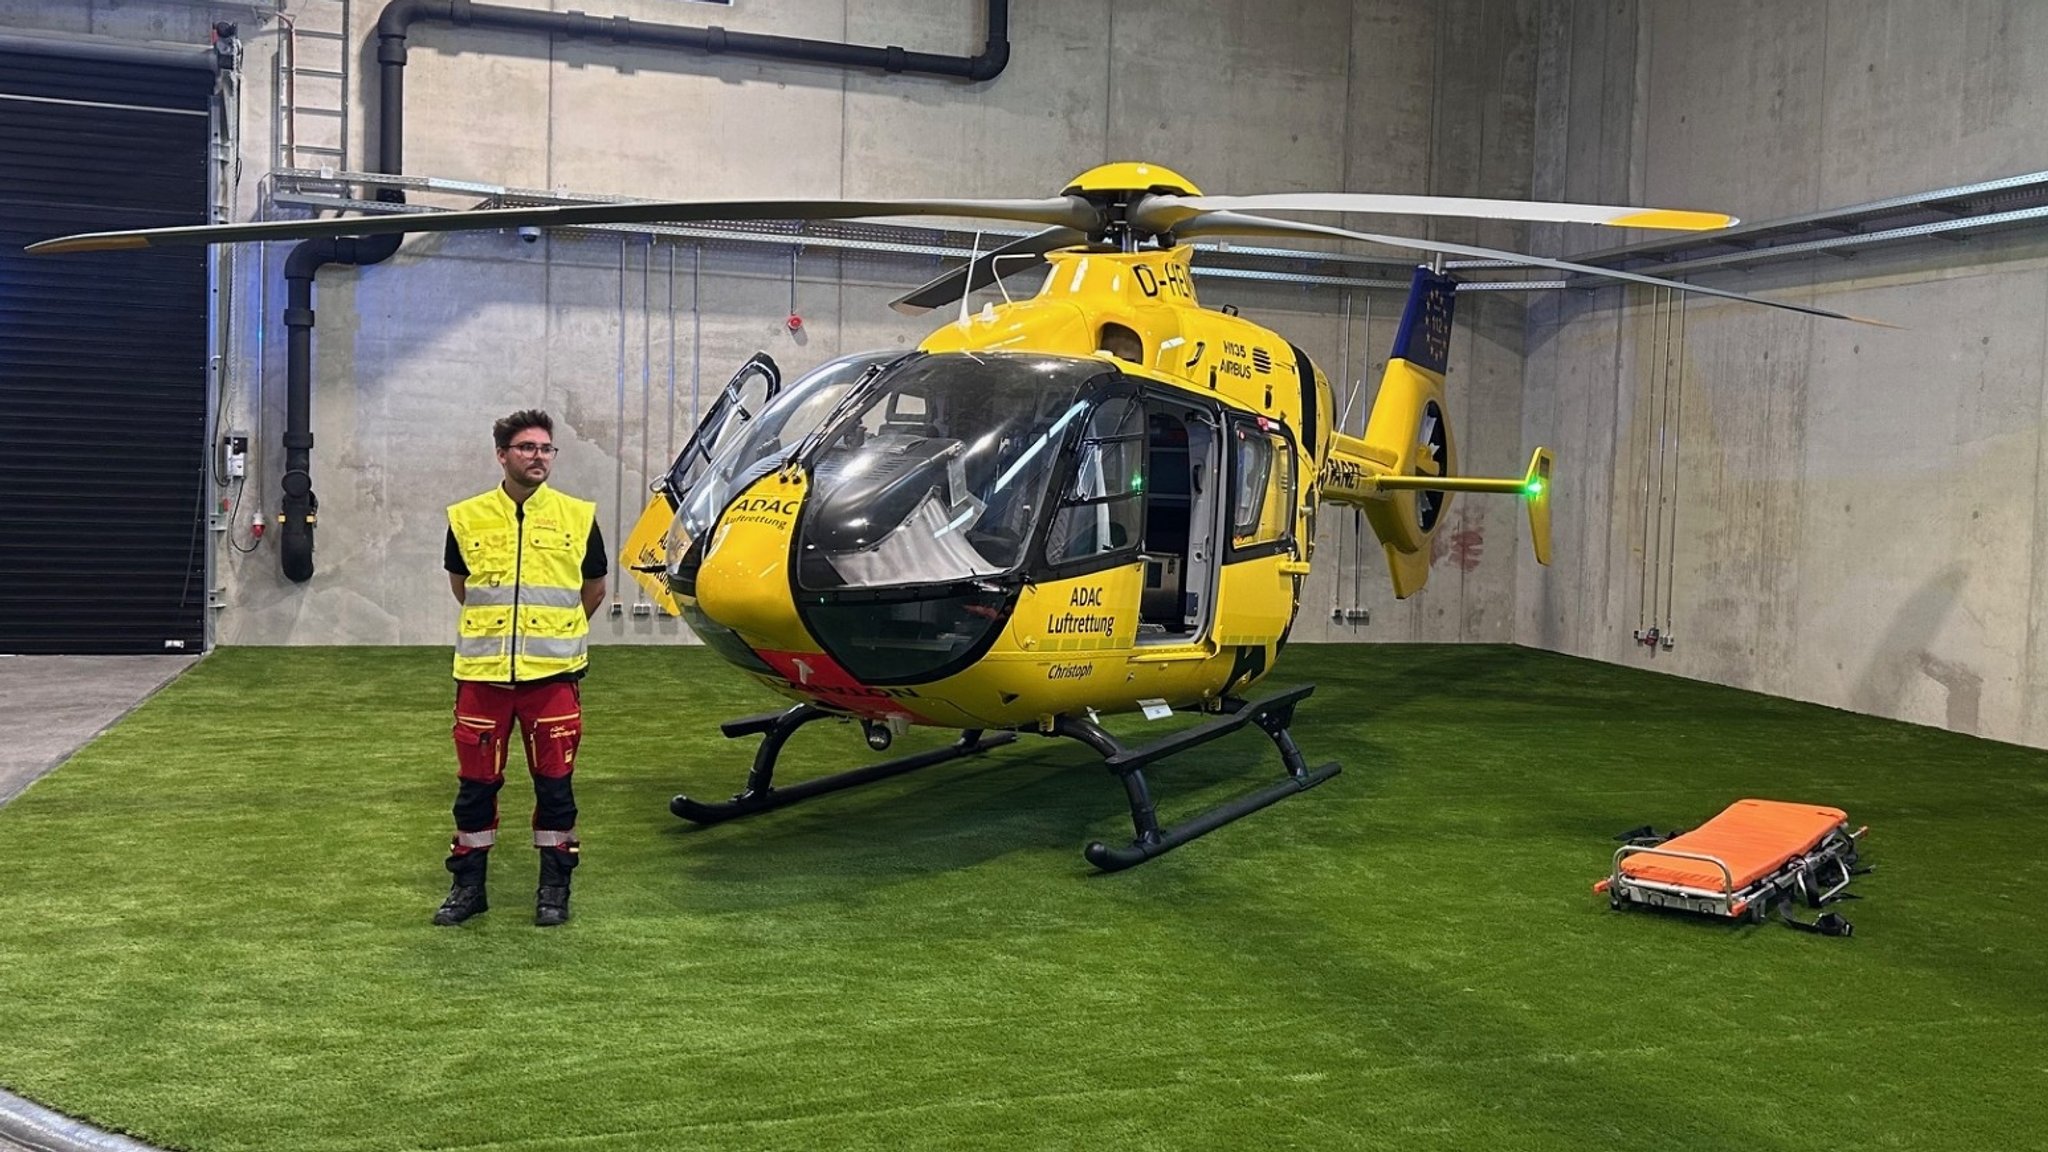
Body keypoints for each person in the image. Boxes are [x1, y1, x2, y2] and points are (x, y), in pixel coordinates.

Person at [435, 410, 607, 927]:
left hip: (552, 679)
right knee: (475, 788)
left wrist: (554, 638)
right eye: (527, 447)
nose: (539, 456)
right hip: (483, 678)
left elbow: (593, 588)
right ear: (502, 454)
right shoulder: (466, 517)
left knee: (555, 786)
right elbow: (461, 584)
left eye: (546, 448)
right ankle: (469, 889)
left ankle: (554, 888)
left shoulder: (579, 516)